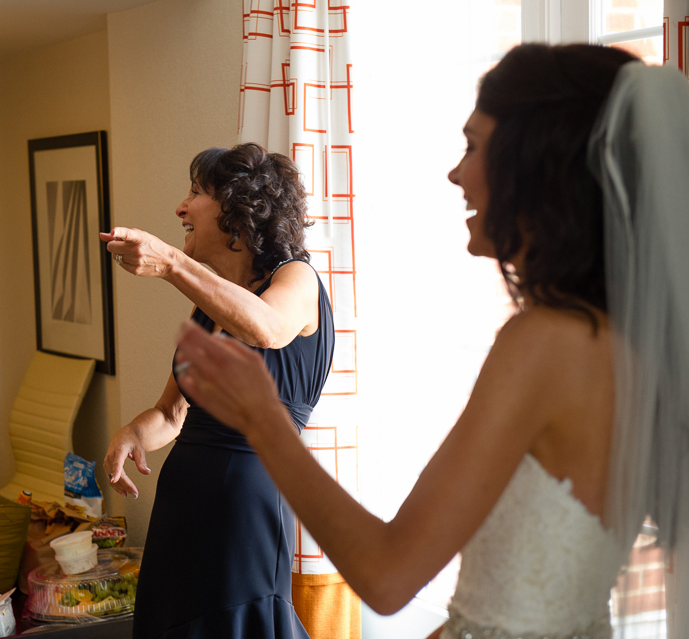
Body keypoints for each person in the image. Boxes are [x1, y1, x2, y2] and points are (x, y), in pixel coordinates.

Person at [173, 44, 689, 639]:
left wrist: (261, 417)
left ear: (536, 164)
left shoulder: (544, 341)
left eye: (473, 146)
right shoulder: (623, 341)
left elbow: (388, 577)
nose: (456, 172)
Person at [101, 142, 334, 638]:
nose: (180, 208)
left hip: (246, 505)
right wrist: (133, 434)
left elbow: (268, 329)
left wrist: (170, 263)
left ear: (238, 209)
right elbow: (171, 412)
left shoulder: (297, 277)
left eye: (194, 193)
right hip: (183, 501)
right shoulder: (209, 307)